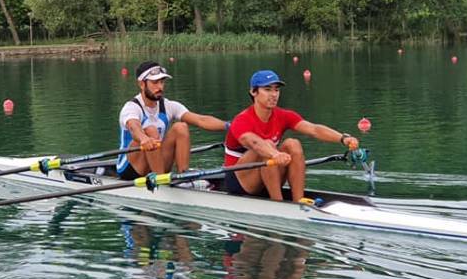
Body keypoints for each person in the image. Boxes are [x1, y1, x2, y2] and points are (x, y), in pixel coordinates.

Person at [224, 70, 359, 202]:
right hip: (239, 181)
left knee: (293, 143)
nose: (274, 94)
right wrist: (274, 154)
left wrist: (343, 138)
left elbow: (314, 129)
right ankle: (278, 203)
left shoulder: (283, 115)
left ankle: (298, 201)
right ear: (253, 92)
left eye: (276, 90)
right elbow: (253, 142)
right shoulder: (241, 120)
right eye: (267, 89)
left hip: (267, 172)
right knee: (267, 145)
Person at [117, 61, 228, 180]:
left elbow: (201, 120)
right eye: (155, 82)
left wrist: (230, 126)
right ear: (142, 84)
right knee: (151, 131)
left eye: (162, 82)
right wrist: (144, 138)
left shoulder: (168, 105)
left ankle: (183, 175)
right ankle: (161, 180)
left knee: (181, 127)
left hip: (156, 161)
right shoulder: (131, 107)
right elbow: (134, 127)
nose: (160, 87)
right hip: (131, 168)